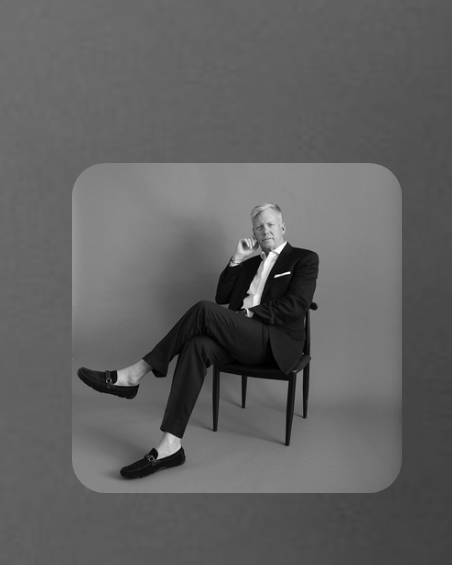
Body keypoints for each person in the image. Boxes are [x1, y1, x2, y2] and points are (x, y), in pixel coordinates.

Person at [77, 202, 320, 479]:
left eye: (270, 224)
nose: (265, 230)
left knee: (203, 310)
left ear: (282, 226)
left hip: (274, 343)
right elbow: (222, 297)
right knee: (196, 346)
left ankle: (135, 374)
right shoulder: (251, 263)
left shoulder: (304, 259)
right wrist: (237, 259)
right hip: (241, 339)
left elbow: (297, 305)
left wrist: (248, 313)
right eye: (259, 226)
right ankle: (171, 445)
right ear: (253, 232)